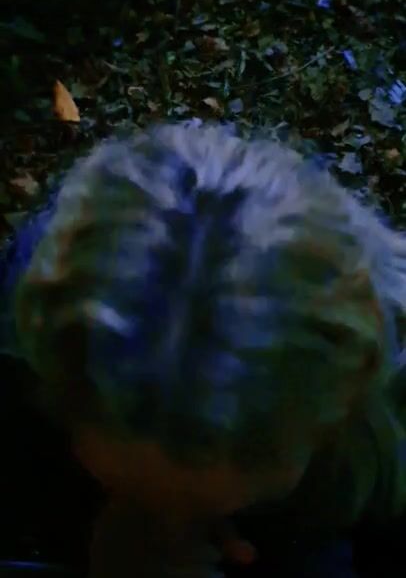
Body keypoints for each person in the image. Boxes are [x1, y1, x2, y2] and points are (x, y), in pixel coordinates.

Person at [6, 122, 406, 577]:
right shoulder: (42, 325)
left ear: (343, 402)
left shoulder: (394, 409)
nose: (172, 533)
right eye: (133, 491)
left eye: (208, 505)